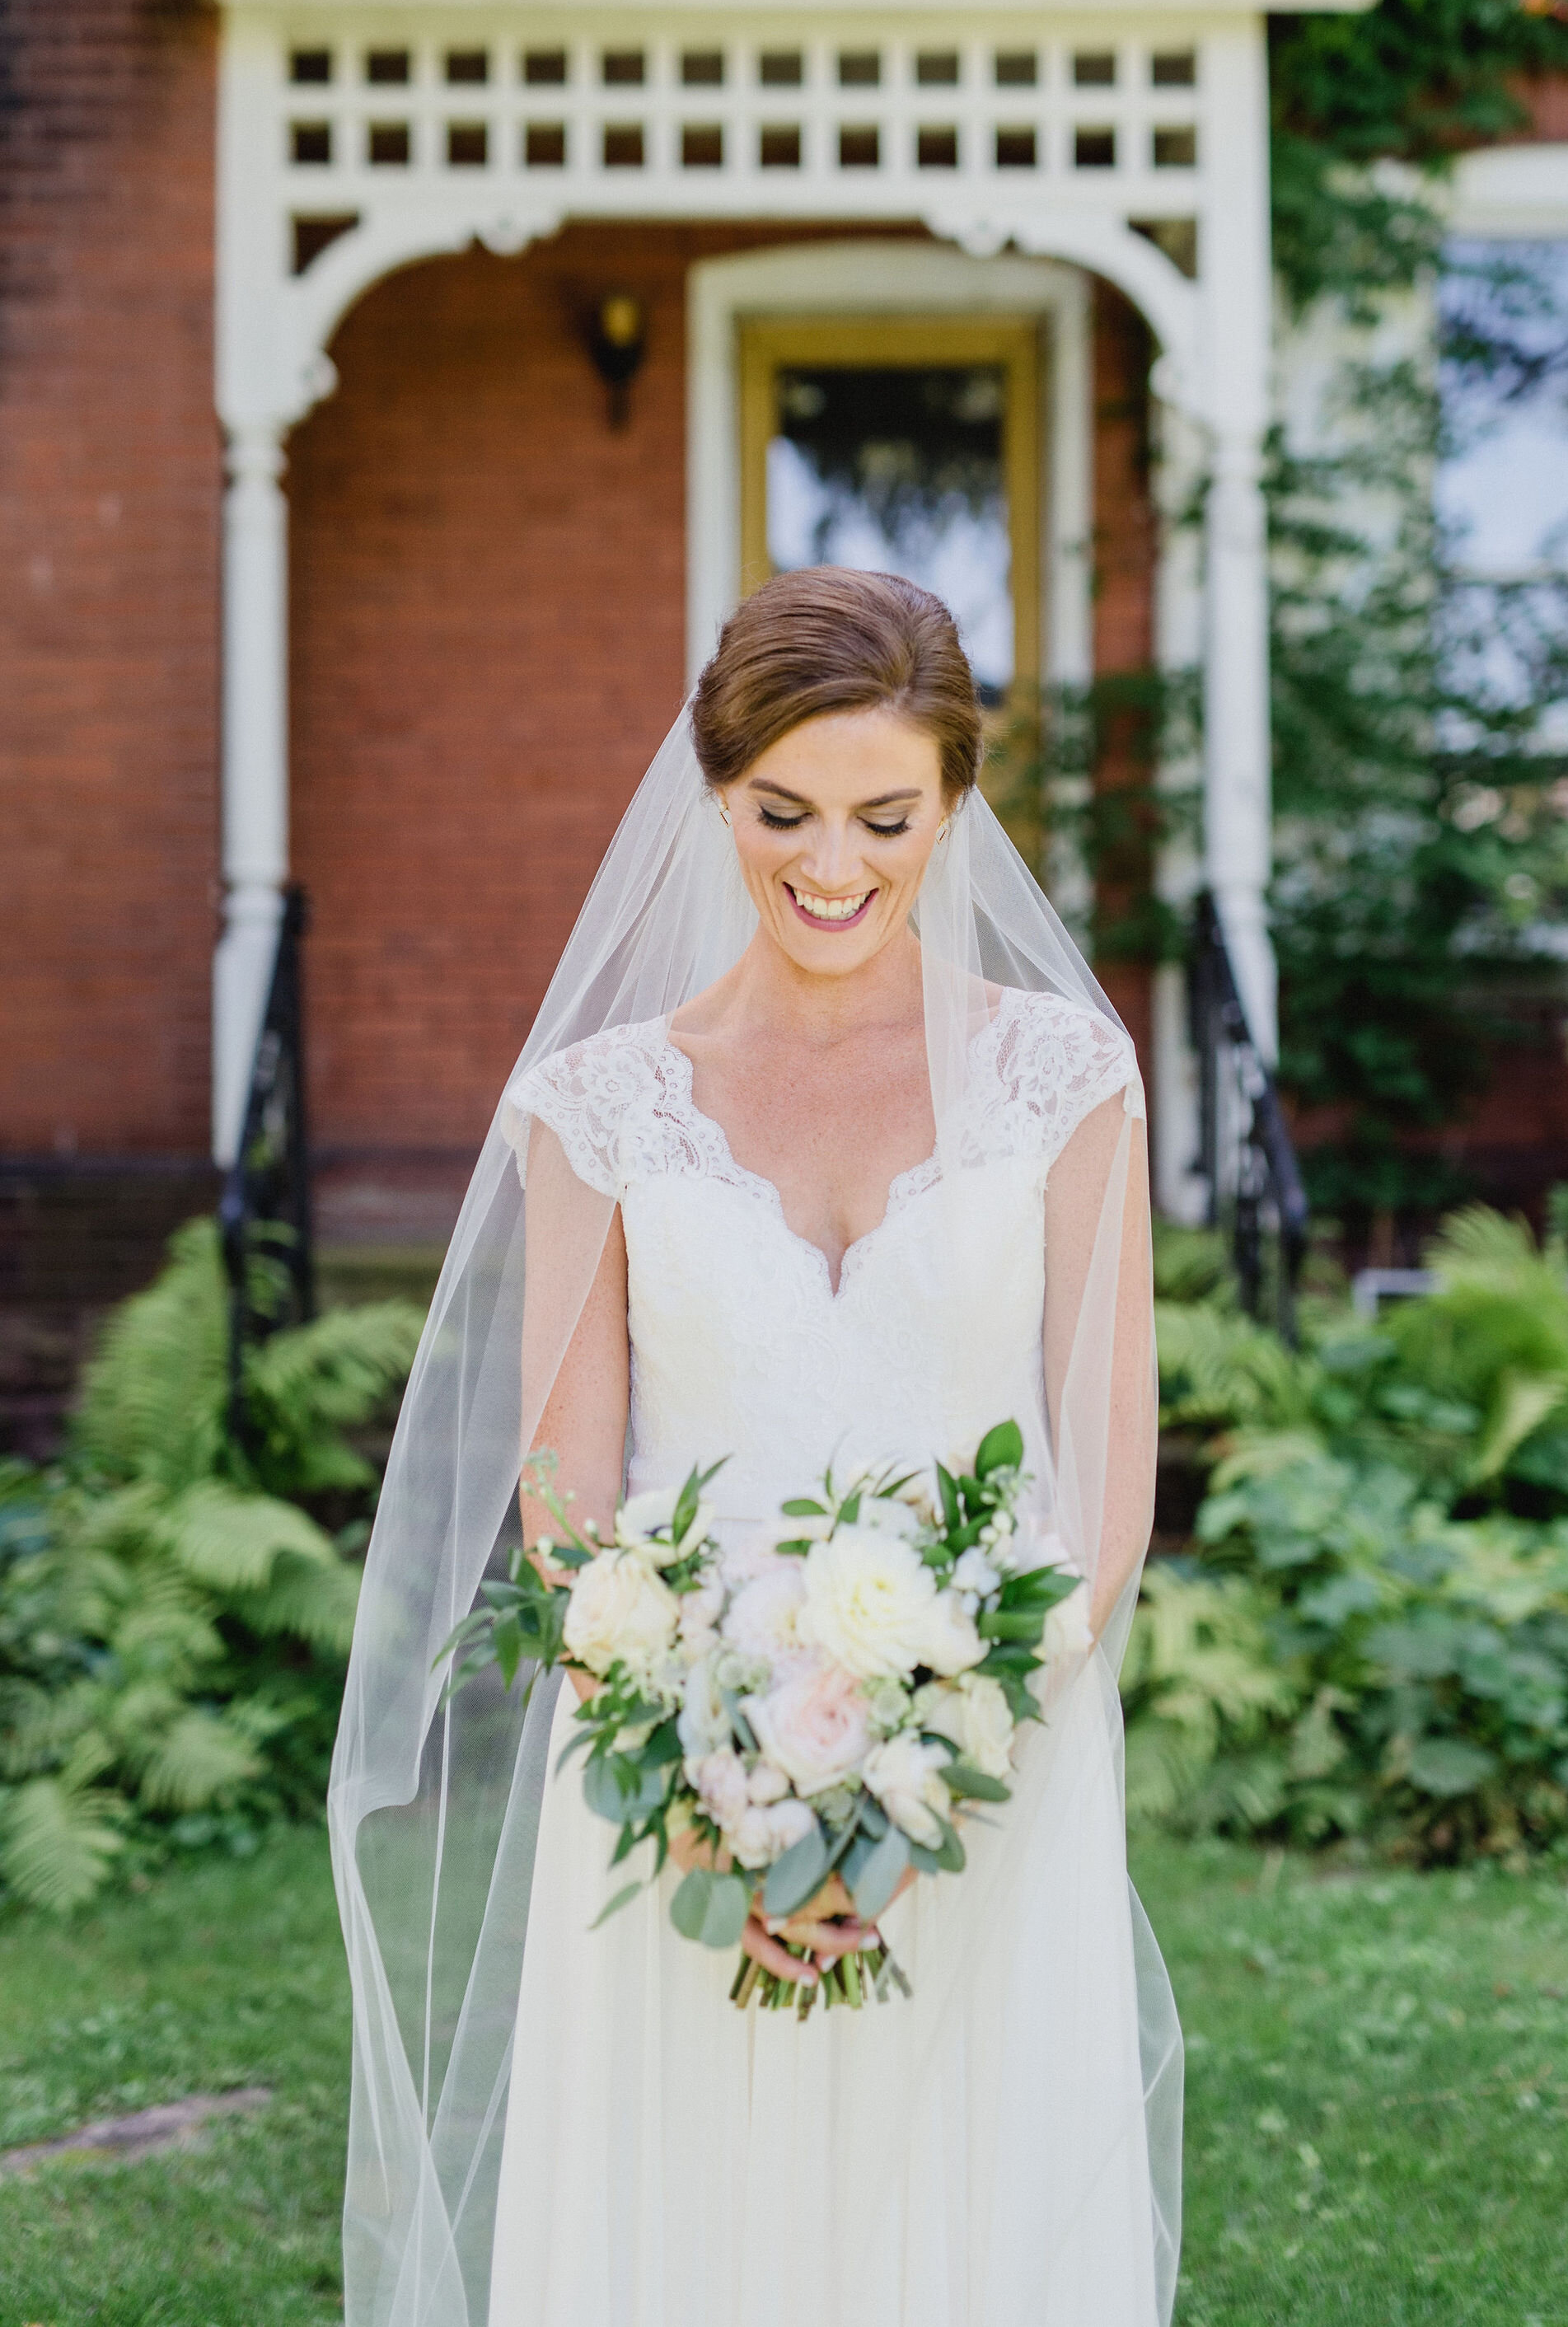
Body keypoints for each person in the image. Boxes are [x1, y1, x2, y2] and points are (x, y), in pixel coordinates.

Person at [330, 567, 1180, 2327]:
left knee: (965, 2206)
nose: (832, 862)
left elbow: (1105, 1481)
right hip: (674, 1774)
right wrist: (716, 1793)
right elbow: (565, 1497)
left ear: (954, 805)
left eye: (884, 814)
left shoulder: (1067, 1081)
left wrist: (923, 1776)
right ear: (715, 791)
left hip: (988, 1761)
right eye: (783, 810)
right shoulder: (599, 1105)